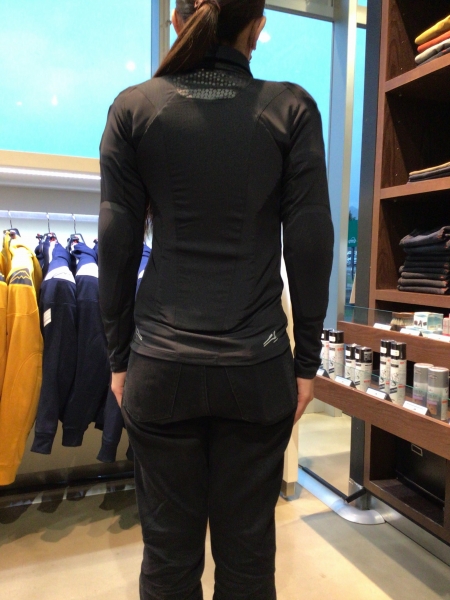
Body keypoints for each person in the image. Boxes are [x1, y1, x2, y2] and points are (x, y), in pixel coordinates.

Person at [98, 0, 334, 598]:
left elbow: (116, 245)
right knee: (248, 562)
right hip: (258, 368)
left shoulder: (134, 108)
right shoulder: (290, 109)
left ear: (179, 21)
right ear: (257, 26)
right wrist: (307, 365)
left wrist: (119, 358)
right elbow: (310, 243)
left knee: (168, 560)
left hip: (159, 366)